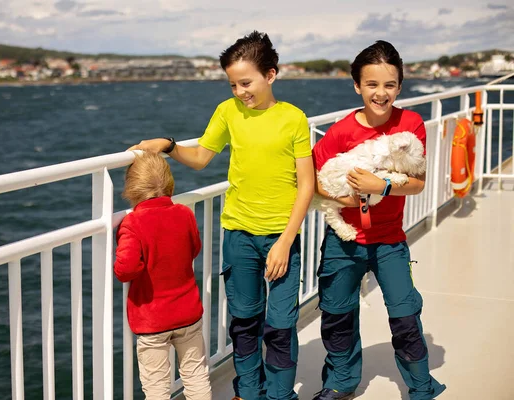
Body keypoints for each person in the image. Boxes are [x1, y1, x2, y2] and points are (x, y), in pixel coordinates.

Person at [128, 31, 315, 400]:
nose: (239, 91)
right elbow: (200, 158)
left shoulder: (293, 118)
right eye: (233, 84)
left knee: (280, 324)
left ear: (271, 75)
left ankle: (279, 395)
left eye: (246, 82)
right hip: (238, 234)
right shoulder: (227, 112)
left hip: (281, 237)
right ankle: (247, 391)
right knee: (244, 322)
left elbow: (306, 185)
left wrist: (285, 241)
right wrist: (169, 145)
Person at [310, 40, 447, 400]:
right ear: (357, 86)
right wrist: (346, 198)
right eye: (371, 84)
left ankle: (420, 385)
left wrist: (380, 186)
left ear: (400, 86)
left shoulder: (412, 123)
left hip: (389, 241)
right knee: (336, 312)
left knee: (405, 313)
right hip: (344, 241)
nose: (380, 93)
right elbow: (311, 183)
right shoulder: (340, 132)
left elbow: (416, 184)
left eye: (389, 85)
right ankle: (341, 380)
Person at [114, 151, 212, 400]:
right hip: (188, 313)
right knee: (196, 375)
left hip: (152, 320)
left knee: (157, 387)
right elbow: (194, 248)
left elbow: (125, 270)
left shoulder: (133, 223)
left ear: (132, 188)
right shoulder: (184, 213)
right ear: (169, 182)